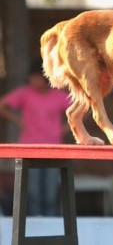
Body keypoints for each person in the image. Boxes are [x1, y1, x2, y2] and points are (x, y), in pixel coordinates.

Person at [0, 58, 70, 216]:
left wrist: (67, 127)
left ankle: (51, 223)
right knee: (32, 191)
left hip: (54, 149)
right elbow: (2, 106)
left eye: (36, 77)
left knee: (51, 192)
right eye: (31, 77)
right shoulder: (24, 93)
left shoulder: (58, 95)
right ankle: (35, 222)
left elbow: (82, 109)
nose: (33, 80)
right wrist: (18, 121)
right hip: (29, 149)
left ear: (45, 77)